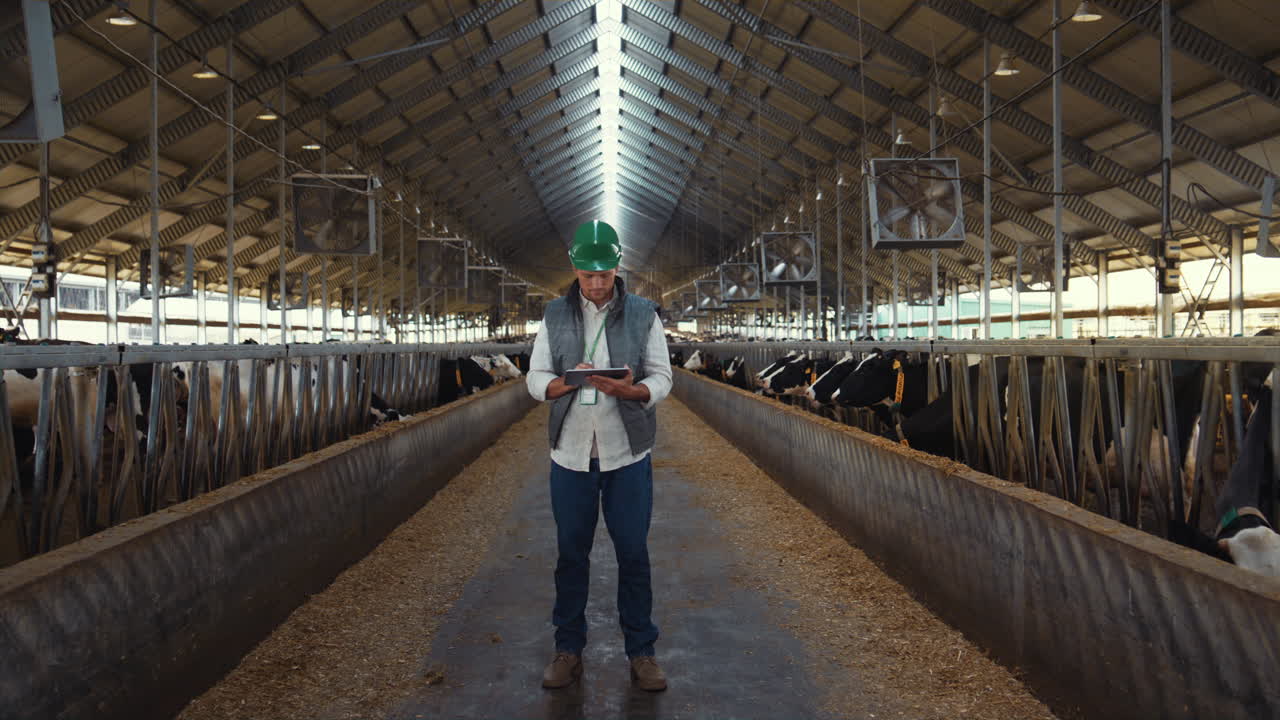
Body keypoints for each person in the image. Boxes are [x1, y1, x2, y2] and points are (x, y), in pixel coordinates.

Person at [526, 220, 673, 692]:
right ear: (574, 268)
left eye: (604, 275)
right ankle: (568, 649)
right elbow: (535, 377)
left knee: (632, 552)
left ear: (616, 268)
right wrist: (569, 381)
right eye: (588, 275)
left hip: (626, 452)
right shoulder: (552, 315)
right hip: (570, 454)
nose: (595, 284)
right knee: (572, 553)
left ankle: (642, 652)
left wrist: (632, 392)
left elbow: (663, 377)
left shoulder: (645, 314)